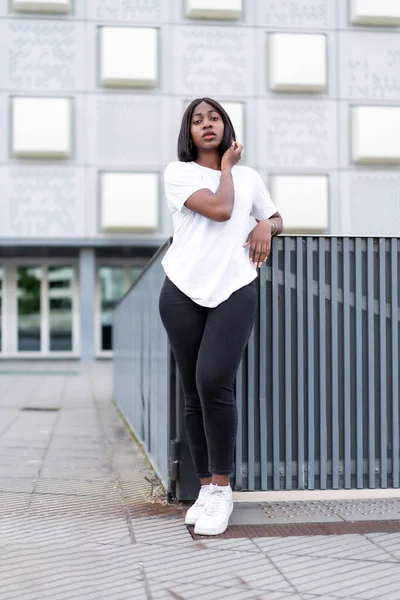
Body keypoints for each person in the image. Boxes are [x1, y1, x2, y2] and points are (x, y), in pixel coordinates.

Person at [158, 97, 283, 536]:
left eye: (214, 118)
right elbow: (220, 208)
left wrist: (266, 226)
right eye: (197, 120)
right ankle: (206, 488)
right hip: (182, 290)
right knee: (193, 392)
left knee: (214, 381)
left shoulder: (249, 177)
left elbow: (273, 215)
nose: (206, 125)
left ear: (226, 126)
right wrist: (227, 168)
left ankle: (223, 487)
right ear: (188, 132)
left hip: (233, 286)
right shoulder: (180, 174)